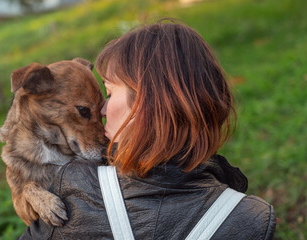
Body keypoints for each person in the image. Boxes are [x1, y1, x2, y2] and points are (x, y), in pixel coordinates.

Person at [19, 20, 276, 239]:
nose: (102, 111)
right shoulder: (253, 220)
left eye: (108, 93)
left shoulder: (76, 192)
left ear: (146, 105)